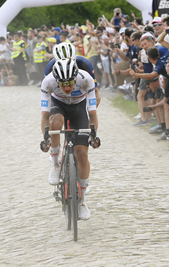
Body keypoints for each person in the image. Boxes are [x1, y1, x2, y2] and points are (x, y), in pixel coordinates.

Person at [41, 58, 99, 220]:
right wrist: (46, 138)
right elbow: (45, 115)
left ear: (76, 78)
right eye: (62, 84)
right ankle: (55, 165)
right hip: (58, 105)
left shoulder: (86, 79)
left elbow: (93, 114)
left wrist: (93, 134)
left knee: (82, 154)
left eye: (70, 83)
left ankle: (82, 201)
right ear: (56, 81)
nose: (67, 87)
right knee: (55, 123)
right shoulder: (48, 82)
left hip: (79, 108)